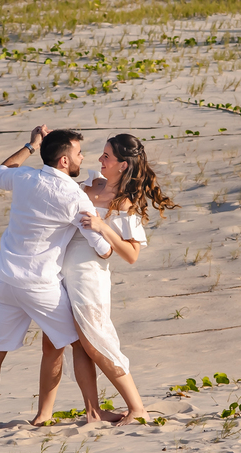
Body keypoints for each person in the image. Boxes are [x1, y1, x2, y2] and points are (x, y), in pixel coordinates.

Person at [0, 127, 117, 433]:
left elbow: (1, 172)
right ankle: (93, 411)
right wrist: (102, 226)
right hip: (39, 284)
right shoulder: (75, 196)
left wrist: (31, 144)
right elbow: (104, 251)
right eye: (79, 153)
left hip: (5, 277)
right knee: (79, 343)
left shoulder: (24, 177)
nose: (83, 158)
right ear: (64, 161)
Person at [44, 133, 179, 427]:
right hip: (61, 273)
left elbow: (131, 254)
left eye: (107, 157)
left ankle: (137, 407)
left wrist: (104, 228)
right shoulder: (90, 184)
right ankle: (93, 412)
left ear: (122, 165)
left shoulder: (125, 203)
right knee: (80, 344)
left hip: (89, 278)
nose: (100, 160)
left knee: (97, 341)